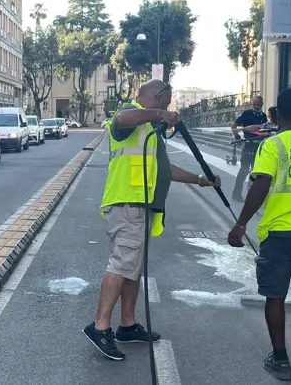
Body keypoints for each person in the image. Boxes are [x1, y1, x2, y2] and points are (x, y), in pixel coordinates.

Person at [84, 79, 221, 361]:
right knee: (122, 264)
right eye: (166, 103)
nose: (168, 109)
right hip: (126, 203)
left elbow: (165, 169)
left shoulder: (151, 132)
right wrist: (159, 115)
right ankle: (99, 326)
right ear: (157, 98)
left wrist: (200, 180)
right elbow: (120, 119)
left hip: (142, 207)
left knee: (133, 268)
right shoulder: (129, 115)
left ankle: (127, 325)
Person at [227, 88, 291, 385]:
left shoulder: (273, 145)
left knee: (275, 295)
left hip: (281, 231)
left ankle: (281, 359)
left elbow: (262, 184)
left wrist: (240, 223)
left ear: (277, 115)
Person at [231, 95, 269, 201]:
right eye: (254, 104)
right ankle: (236, 194)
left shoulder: (264, 116)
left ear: (262, 104)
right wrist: (238, 137)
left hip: (259, 146)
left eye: (258, 104)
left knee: (256, 172)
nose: (256, 106)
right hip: (248, 145)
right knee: (244, 170)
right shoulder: (246, 114)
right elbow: (233, 127)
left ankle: (253, 196)